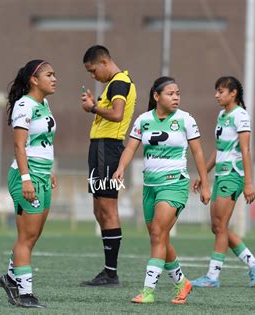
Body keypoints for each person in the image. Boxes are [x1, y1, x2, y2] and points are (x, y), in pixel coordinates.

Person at [113, 76, 211, 304]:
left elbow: (197, 153)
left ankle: (148, 291)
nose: (176, 97)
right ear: (157, 96)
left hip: (174, 184)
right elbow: (130, 148)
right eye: (170, 93)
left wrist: (205, 183)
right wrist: (121, 167)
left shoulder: (186, 119)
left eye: (178, 93)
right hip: (150, 187)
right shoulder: (144, 120)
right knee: (160, 238)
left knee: (158, 233)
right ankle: (182, 283)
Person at [191, 76, 255, 288]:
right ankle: (254, 263)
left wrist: (248, 183)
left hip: (233, 175)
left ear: (233, 93)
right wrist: (204, 174)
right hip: (220, 176)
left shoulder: (241, 115)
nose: (217, 95)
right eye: (216, 91)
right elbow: (219, 149)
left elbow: (245, 150)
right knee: (217, 227)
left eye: (221, 91)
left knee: (220, 226)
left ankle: (212, 277)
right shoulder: (222, 115)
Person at [0, 60, 57, 308]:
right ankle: (25, 294)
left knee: (33, 236)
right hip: (27, 176)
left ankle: (10, 277)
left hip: (42, 175)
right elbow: (19, 145)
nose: (54, 78)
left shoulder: (44, 104)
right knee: (26, 237)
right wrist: (26, 179)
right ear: (34, 79)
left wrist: (49, 170)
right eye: (49, 75)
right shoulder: (24, 105)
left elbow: (42, 142)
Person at [79, 45, 137, 287]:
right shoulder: (112, 85)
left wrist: (93, 107)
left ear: (104, 62)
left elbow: (117, 115)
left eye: (93, 71)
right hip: (100, 149)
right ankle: (108, 271)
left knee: (108, 208)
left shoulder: (119, 82)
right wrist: (95, 105)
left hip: (108, 149)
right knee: (98, 210)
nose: (93, 76)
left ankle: (111, 274)